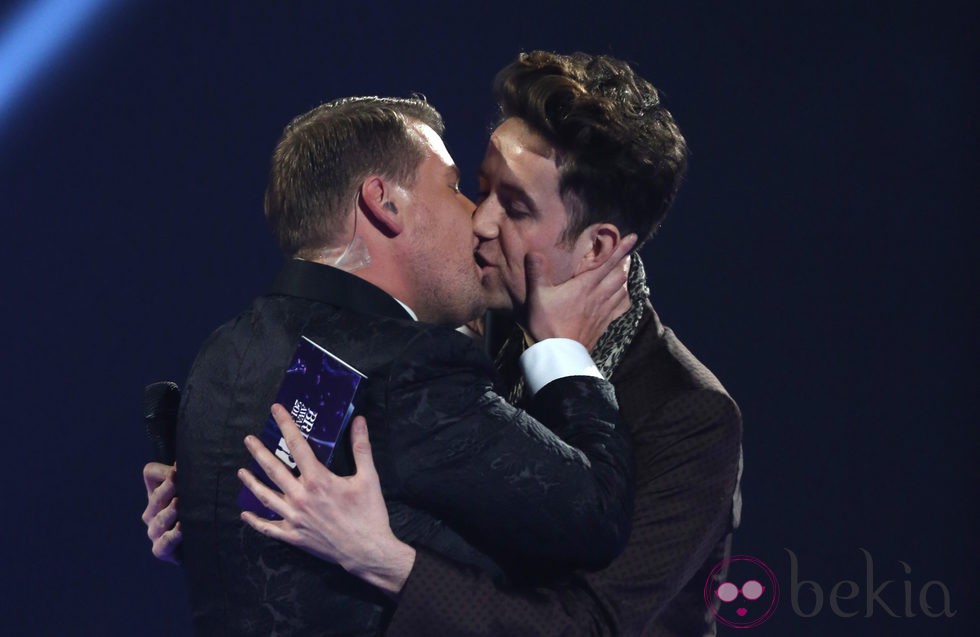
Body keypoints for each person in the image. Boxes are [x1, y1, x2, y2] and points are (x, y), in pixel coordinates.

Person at [147, 50, 744, 636]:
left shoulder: (687, 414)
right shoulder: (446, 328)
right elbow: (303, 460)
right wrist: (218, 512)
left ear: (596, 247)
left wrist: (386, 562)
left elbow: (590, 626)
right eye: (478, 189)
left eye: (513, 206)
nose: (479, 222)